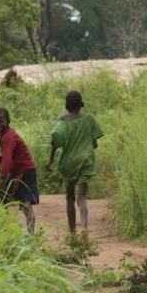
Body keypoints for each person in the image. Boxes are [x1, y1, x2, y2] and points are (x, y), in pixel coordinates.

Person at [45, 90, 103, 233]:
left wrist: (50, 160)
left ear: (66, 106)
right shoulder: (89, 120)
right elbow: (95, 144)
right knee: (82, 197)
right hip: (85, 160)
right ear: (81, 105)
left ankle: (72, 232)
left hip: (69, 163)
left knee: (70, 198)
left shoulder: (62, 123)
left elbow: (55, 141)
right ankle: (84, 228)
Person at [0, 107, 39, 234]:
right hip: (17, 171)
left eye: (0, 121)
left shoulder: (8, 136)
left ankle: (30, 236)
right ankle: (6, 230)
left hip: (25, 171)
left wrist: (3, 179)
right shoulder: (6, 135)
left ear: (8, 121)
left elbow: (7, 158)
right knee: (1, 197)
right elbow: (8, 154)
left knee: (24, 203)